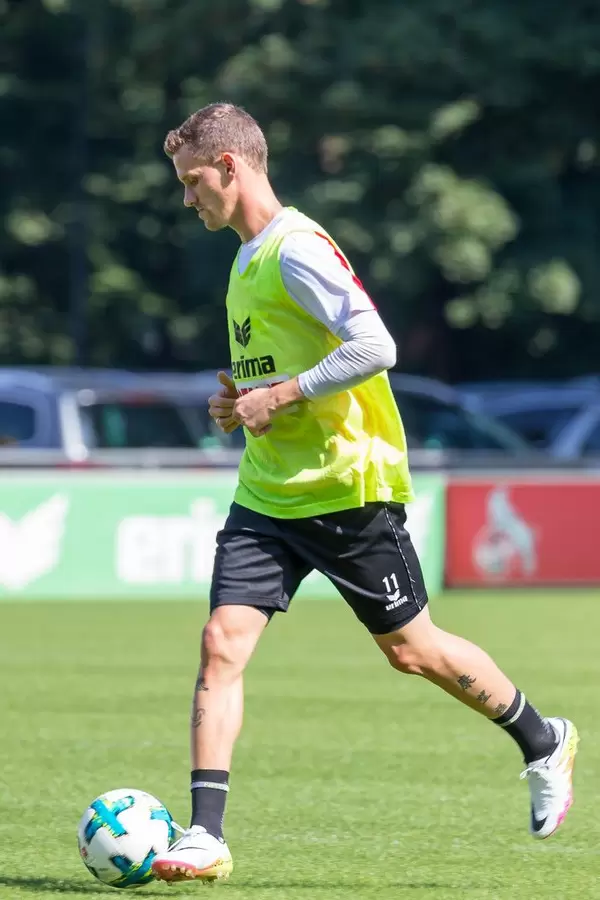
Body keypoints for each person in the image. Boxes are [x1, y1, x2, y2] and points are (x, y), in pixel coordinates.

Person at [151, 103, 578, 884]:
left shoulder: (295, 249)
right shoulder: (245, 260)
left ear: (230, 167)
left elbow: (375, 346)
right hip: (268, 494)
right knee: (221, 643)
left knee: (413, 652)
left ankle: (543, 739)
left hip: (346, 490)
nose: (187, 199)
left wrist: (280, 396)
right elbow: (273, 372)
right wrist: (239, 402)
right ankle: (204, 834)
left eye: (192, 181)